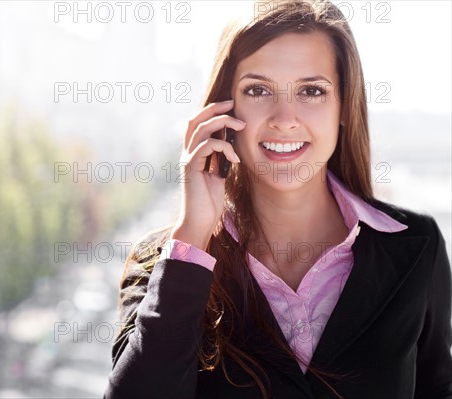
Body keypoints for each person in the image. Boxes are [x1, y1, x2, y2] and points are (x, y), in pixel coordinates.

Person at [104, 0, 452, 397]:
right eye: (258, 90)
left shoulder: (415, 248)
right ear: (223, 110)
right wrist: (192, 241)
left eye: (311, 90)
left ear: (344, 106)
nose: (284, 118)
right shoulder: (167, 263)